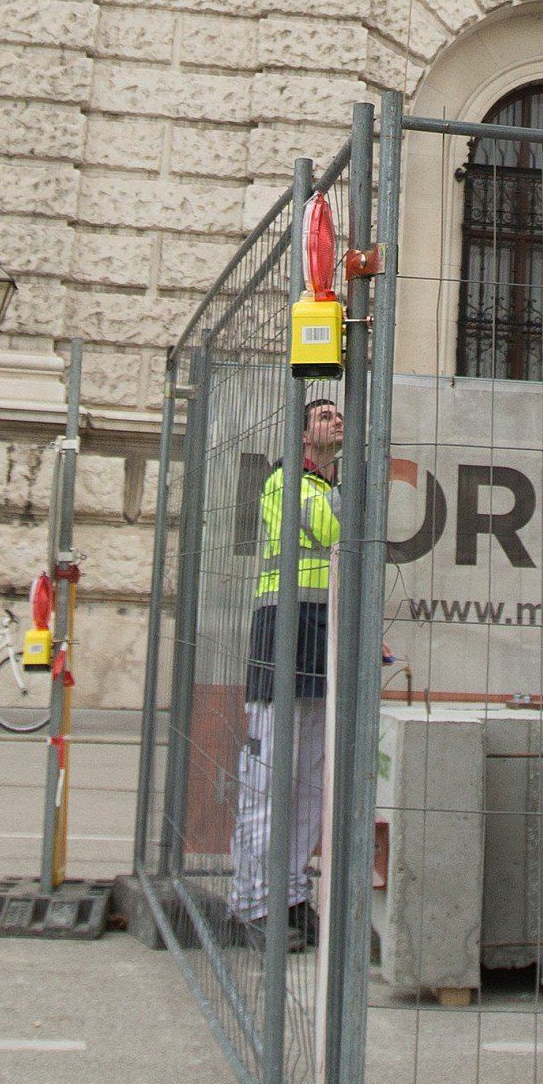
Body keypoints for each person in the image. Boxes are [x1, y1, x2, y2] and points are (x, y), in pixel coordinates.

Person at [232, 391, 341, 953]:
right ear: (302, 436)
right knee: (269, 774)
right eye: (325, 415)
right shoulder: (287, 482)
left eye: (337, 413)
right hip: (283, 628)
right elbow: (330, 531)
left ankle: (293, 895)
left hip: (321, 629)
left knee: (308, 777)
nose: (337, 419)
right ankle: (254, 901)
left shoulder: (327, 484)